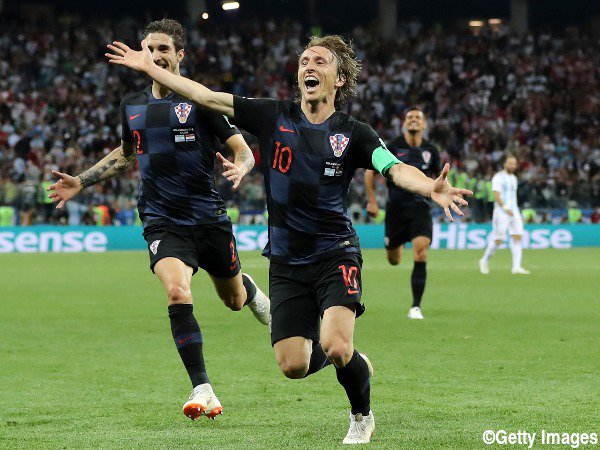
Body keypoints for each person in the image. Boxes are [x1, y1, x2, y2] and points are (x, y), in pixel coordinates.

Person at [105, 34, 471, 444]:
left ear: (339, 78)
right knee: (293, 365)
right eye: (304, 61)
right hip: (286, 261)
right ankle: (350, 362)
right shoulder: (272, 116)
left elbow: (394, 167)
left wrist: (429, 187)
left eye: (320, 61)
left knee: (335, 344)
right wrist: (150, 68)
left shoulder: (355, 133)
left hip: (335, 253)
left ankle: (361, 415)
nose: (309, 66)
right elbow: (206, 96)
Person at [47, 19, 270, 421]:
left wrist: (242, 166)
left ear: (179, 54)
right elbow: (126, 154)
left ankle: (249, 289)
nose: (156, 56)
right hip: (161, 219)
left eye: (164, 49)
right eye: (149, 49)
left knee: (234, 301)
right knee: (177, 293)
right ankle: (202, 387)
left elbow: (242, 148)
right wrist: (81, 180)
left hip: (209, 219)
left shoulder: (200, 101)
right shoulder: (132, 105)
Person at [365, 108, 441, 320]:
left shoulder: (431, 150)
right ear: (404, 124)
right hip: (396, 209)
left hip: (420, 207)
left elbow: (439, 177)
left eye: (418, 117)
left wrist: (443, 193)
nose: (414, 120)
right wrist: (372, 200)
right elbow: (370, 171)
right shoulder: (392, 146)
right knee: (394, 259)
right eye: (410, 117)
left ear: (424, 125)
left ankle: (416, 306)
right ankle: (395, 244)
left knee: (421, 252)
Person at [479, 154, 530, 274]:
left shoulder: (514, 178)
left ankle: (516, 267)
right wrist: (505, 207)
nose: (512, 166)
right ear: (505, 164)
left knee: (517, 236)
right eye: (510, 163)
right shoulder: (498, 177)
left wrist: (514, 209)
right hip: (501, 212)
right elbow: (496, 194)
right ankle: (484, 260)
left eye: (514, 164)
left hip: (514, 211)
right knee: (499, 240)